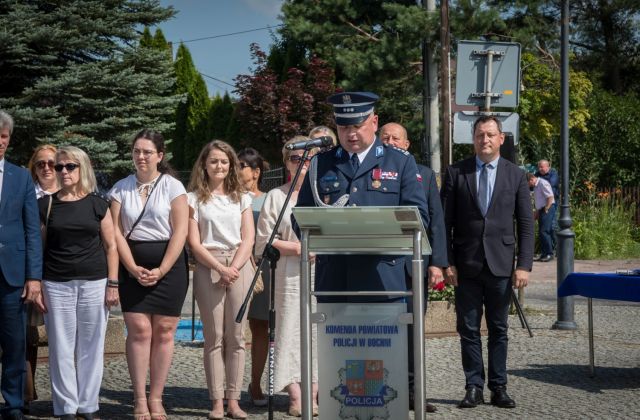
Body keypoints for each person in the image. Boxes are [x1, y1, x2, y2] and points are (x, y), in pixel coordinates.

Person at [296, 92, 429, 300]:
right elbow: (301, 218)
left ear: (374, 122)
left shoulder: (400, 162)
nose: (351, 134)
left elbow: (419, 217)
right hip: (334, 283)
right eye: (344, 127)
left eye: (357, 126)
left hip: (383, 282)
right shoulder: (320, 163)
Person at [441, 115, 534, 409]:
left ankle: (499, 386)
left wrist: (524, 265)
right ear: (474, 138)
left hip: (502, 264)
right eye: (480, 135)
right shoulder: (456, 173)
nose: (485, 140)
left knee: (499, 329)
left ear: (501, 138)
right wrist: (447, 262)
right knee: (468, 329)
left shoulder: (515, 175)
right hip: (466, 265)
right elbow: (444, 224)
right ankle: (473, 386)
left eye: (491, 135)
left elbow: (526, 224)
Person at [110, 129, 189, 420]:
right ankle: (139, 399)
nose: (141, 156)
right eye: (136, 151)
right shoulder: (120, 188)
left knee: (165, 332)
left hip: (170, 268)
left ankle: (156, 398)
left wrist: (162, 269)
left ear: (159, 155)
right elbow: (115, 232)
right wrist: (130, 267)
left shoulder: (173, 186)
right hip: (132, 267)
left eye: (147, 152)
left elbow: (180, 231)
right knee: (140, 332)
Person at [38, 146, 119, 419]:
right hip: (56, 283)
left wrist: (113, 284)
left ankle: (88, 405)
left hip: (94, 282)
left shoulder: (98, 203)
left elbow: (111, 246)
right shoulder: (46, 204)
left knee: (92, 346)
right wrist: (36, 284)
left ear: (82, 168)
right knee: (61, 347)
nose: (63, 171)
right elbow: (39, 248)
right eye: (59, 167)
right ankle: (65, 408)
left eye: (69, 166)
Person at [379, 122, 447, 413]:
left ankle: (413, 392)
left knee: (412, 333)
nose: (391, 141)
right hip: (381, 267)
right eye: (386, 137)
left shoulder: (425, 174)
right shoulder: (373, 170)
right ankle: (380, 389)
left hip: (412, 267)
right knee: (380, 329)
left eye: (397, 138)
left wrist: (438, 264)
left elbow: (436, 220)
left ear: (406, 145)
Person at [186, 140, 255, 420]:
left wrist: (234, 268)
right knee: (214, 337)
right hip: (209, 265)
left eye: (224, 161)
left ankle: (234, 400)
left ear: (231, 166)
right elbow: (194, 241)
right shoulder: (194, 199)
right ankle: (216, 401)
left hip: (238, 265)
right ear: (204, 164)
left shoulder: (242, 197)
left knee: (237, 337)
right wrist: (219, 267)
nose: (219, 166)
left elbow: (248, 237)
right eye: (214, 161)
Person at [256, 137, 319, 417]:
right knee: (289, 331)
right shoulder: (276, 197)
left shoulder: (324, 195)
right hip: (289, 273)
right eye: (296, 158)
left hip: (322, 273)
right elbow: (263, 241)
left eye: (307, 158)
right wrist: (295, 247)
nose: (302, 163)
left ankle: (315, 393)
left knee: (318, 331)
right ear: (286, 163)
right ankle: (294, 394)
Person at [0, 110, 43, 420]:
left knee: (15, 343)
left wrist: (34, 277)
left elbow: (32, 231)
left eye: (4, 136)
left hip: (12, 274)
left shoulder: (21, 176)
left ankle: (13, 404)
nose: (0, 142)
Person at [25, 144, 60, 410]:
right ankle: (26, 394)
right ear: (33, 168)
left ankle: (67, 397)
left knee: (67, 337)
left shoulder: (74, 193)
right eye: (41, 164)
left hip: (64, 275)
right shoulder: (26, 193)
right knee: (26, 337)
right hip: (31, 275)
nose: (47, 168)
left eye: (52, 163)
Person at [237, 147, 270, 407]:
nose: (236, 170)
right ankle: (229, 386)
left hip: (262, 269)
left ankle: (256, 382)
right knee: (232, 329)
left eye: (241, 166)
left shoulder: (267, 200)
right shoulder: (228, 198)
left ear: (256, 172)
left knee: (260, 327)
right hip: (235, 267)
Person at [527, 173, 555, 262]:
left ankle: (549, 253)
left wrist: (546, 208)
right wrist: (537, 211)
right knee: (541, 231)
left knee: (544, 231)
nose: (528, 185)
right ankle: (544, 253)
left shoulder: (542, 183)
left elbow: (550, 196)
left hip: (548, 207)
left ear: (531, 179)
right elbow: (539, 200)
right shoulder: (536, 186)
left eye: (528, 183)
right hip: (542, 209)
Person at [535, 159, 559, 251]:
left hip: (552, 202)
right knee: (544, 227)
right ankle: (549, 250)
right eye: (539, 167)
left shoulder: (553, 174)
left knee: (553, 226)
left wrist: (540, 182)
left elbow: (549, 185)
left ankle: (558, 248)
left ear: (548, 167)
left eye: (542, 167)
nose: (540, 169)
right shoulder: (537, 174)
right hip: (541, 203)